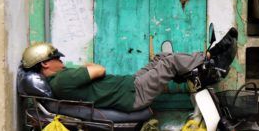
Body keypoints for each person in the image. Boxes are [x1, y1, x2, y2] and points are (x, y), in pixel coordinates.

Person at [20, 28, 238, 112]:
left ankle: (194, 73)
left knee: (162, 58)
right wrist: (87, 65)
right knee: (169, 63)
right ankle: (212, 56)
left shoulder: (61, 80)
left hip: (130, 86)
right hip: (133, 93)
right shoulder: (62, 80)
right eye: (56, 58)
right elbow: (99, 70)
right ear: (45, 64)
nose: (61, 61)